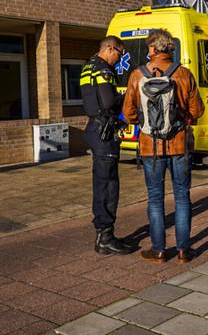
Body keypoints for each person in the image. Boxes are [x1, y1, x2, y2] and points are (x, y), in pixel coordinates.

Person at [123, 29, 205, 263]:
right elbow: (197, 110)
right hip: (179, 145)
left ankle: (158, 250)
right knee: (181, 196)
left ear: (152, 49)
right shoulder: (184, 74)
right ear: (169, 49)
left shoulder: (137, 75)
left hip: (150, 147)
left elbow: (128, 114)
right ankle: (183, 250)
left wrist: (144, 122)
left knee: (155, 198)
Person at [81, 36, 135, 255]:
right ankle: (105, 236)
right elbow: (108, 101)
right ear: (110, 49)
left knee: (101, 183)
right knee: (108, 185)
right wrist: (127, 96)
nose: (119, 59)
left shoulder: (88, 67)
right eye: (119, 54)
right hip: (104, 134)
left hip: (94, 129)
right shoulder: (103, 69)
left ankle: (104, 233)